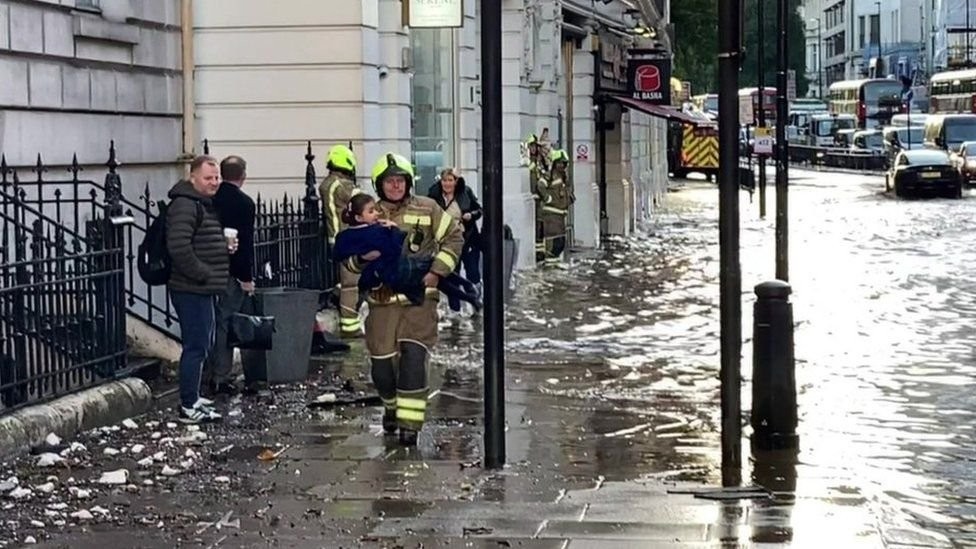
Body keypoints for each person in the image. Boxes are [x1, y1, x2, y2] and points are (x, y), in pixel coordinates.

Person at [342, 153, 463, 446]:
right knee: (382, 367)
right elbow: (349, 260)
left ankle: (410, 428)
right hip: (382, 301)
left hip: (420, 299)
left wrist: (436, 272)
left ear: (408, 182)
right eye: (389, 181)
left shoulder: (428, 207)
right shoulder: (369, 213)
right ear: (379, 185)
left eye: (400, 180)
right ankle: (391, 407)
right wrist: (364, 259)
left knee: (413, 358)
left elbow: (454, 237)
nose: (395, 186)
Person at [166, 155, 231, 423]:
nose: (214, 182)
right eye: (208, 178)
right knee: (196, 346)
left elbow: (198, 241)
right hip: (191, 288)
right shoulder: (186, 205)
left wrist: (224, 247)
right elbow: (179, 246)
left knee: (203, 345)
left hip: (202, 287)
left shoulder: (201, 203)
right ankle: (188, 405)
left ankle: (193, 396)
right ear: (192, 177)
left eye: (217, 177)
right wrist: (203, 273)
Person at [332, 194, 480, 310]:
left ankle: (469, 294)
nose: (377, 213)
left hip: (390, 279)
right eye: (371, 211)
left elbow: (339, 254)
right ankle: (469, 294)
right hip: (396, 276)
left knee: (438, 275)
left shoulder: (347, 235)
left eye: (375, 210)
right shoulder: (376, 231)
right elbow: (393, 249)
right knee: (437, 274)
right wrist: (394, 230)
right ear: (359, 217)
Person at [206, 155, 256, 397]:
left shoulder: (210, 198)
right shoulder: (244, 203)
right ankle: (221, 376)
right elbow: (244, 244)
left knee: (211, 321)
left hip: (206, 266)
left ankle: (210, 371)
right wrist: (246, 277)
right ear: (243, 176)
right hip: (230, 271)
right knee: (228, 322)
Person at [318, 145, 363, 338]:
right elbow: (363, 201)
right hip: (348, 239)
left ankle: (336, 295)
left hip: (336, 238)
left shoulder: (327, 184)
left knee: (349, 280)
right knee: (351, 283)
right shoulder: (343, 186)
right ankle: (350, 326)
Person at [427, 168, 483, 314]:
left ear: (456, 182)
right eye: (444, 180)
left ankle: (476, 303)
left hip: (468, 239)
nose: (447, 184)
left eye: (450, 180)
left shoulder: (465, 193)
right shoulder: (434, 195)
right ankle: (455, 311)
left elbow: (479, 210)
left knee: (473, 273)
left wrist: (471, 215)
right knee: (452, 274)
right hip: (447, 242)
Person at [539, 149, 575, 266]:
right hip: (551, 215)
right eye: (561, 163)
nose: (563, 166)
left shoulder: (564, 177)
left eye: (564, 163)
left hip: (560, 216)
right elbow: (540, 185)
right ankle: (550, 268)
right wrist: (547, 198)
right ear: (555, 163)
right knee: (554, 244)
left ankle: (555, 265)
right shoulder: (549, 175)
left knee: (560, 243)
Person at [527, 134, 549, 262]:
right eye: (532, 146)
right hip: (533, 198)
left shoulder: (539, 161)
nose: (534, 148)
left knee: (541, 224)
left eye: (535, 146)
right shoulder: (528, 162)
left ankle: (541, 251)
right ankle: (537, 251)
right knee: (536, 225)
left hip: (539, 199)